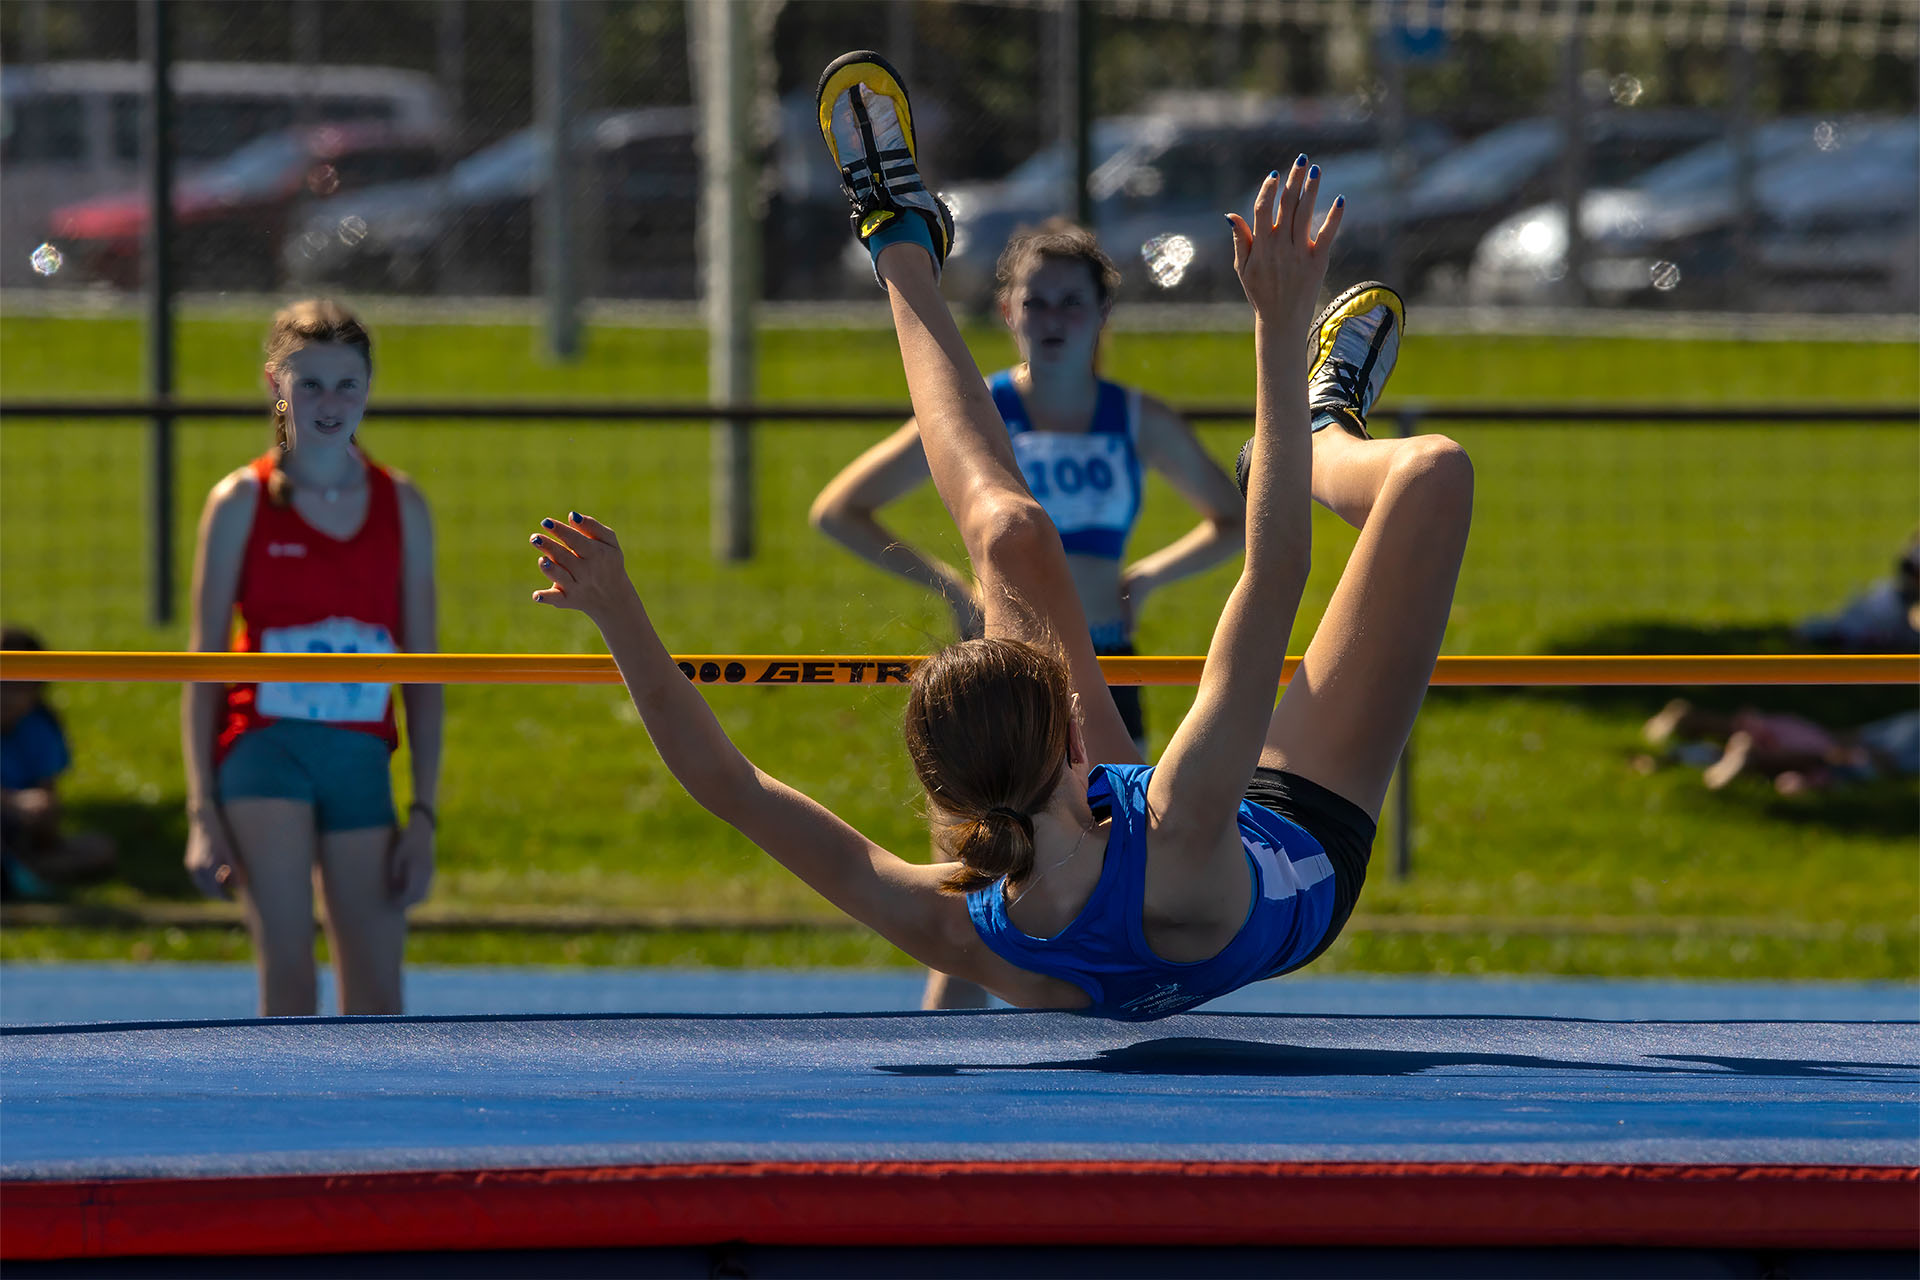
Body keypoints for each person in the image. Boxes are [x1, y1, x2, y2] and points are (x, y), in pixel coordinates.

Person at [526, 52, 1470, 1019]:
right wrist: (1278, 324)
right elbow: (1274, 572)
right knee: (1431, 475)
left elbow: (731, 786)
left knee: (1017, 537)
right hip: (1304, 828)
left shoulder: (958, 919)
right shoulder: (1180, 816)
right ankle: (1318, 434)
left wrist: (618, 617)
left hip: (1105, 837)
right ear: (1073, 729)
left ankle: (897, 233)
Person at [810, 219, 1244, 1008]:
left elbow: (1235, 519)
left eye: (1070, 304)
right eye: (1034, 302)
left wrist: (1147, 578)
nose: (1051, 320)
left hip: (1107, 667)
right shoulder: (986, 413)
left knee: (1115, 879)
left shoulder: (1136, 419)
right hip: (1003, 681)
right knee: (975, 891)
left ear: (1100, 316)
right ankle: (954, 1078)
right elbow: (840, 510)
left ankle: (1118, 1046)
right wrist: (948, 585)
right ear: (1008, 310)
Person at [181, 300, 441, 1016]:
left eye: (346, 384)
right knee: (290, 982)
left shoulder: (403, 505)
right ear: (276, 385)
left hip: (360, 760)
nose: (330, 404)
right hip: (265, 754)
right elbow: (202, 665)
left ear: (368, 389)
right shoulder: (238, 502)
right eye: (311, 384)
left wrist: (424, 813)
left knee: (378, 996)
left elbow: (425, 674)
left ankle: (373, 1129)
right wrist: (202, 812)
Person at [1, 627, 117, 900]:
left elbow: (48, 795)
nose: (5, 696)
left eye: (16, 685)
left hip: (19, 835)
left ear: (37, 689)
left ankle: (20, 870)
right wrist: (13, 802)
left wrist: (42, 815)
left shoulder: (40, 728)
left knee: (100, 848)